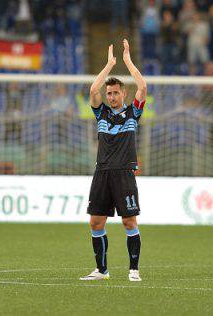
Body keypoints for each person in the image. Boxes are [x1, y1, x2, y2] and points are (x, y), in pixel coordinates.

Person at [80, 39, 147, 282]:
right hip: (103, 173)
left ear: (123, 94)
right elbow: (92, 91)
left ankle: (133, 269)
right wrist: (108, 65)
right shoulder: (101, 113)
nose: (111, 96)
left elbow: (143, 86)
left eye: (115, 92)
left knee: (129, 221)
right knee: (96, 222)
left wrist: (127, 61)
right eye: (109, 93)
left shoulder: (133, 112)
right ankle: (102, 270)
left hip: (124, 173)